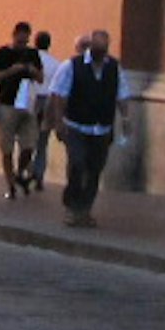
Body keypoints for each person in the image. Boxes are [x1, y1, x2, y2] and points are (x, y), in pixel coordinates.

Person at [54, 28, 122, 225]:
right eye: (97, 50)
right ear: (90, 47)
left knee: (95, 169)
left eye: (104, 50)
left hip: (102, 128)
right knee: (77, 163)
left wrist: (125, 119)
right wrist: (58, 122)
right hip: (76, 126)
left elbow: (122, 93)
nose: (100, 54)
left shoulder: (114, 67)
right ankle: (72, 205)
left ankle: (85, 209)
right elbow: (58, 94)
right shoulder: (71, 66)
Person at [0, 21, 47, 198]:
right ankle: (10, 184)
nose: (22, 44)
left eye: (25, 40)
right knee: (6, 147)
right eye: (20, 40)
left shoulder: (33, 54)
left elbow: (41, 78)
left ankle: (20, 172)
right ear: (14, 35)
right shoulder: (2, 53)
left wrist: (31, 69)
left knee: (29, 144)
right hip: (7, 103)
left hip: (27, 104)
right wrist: (11, 71)